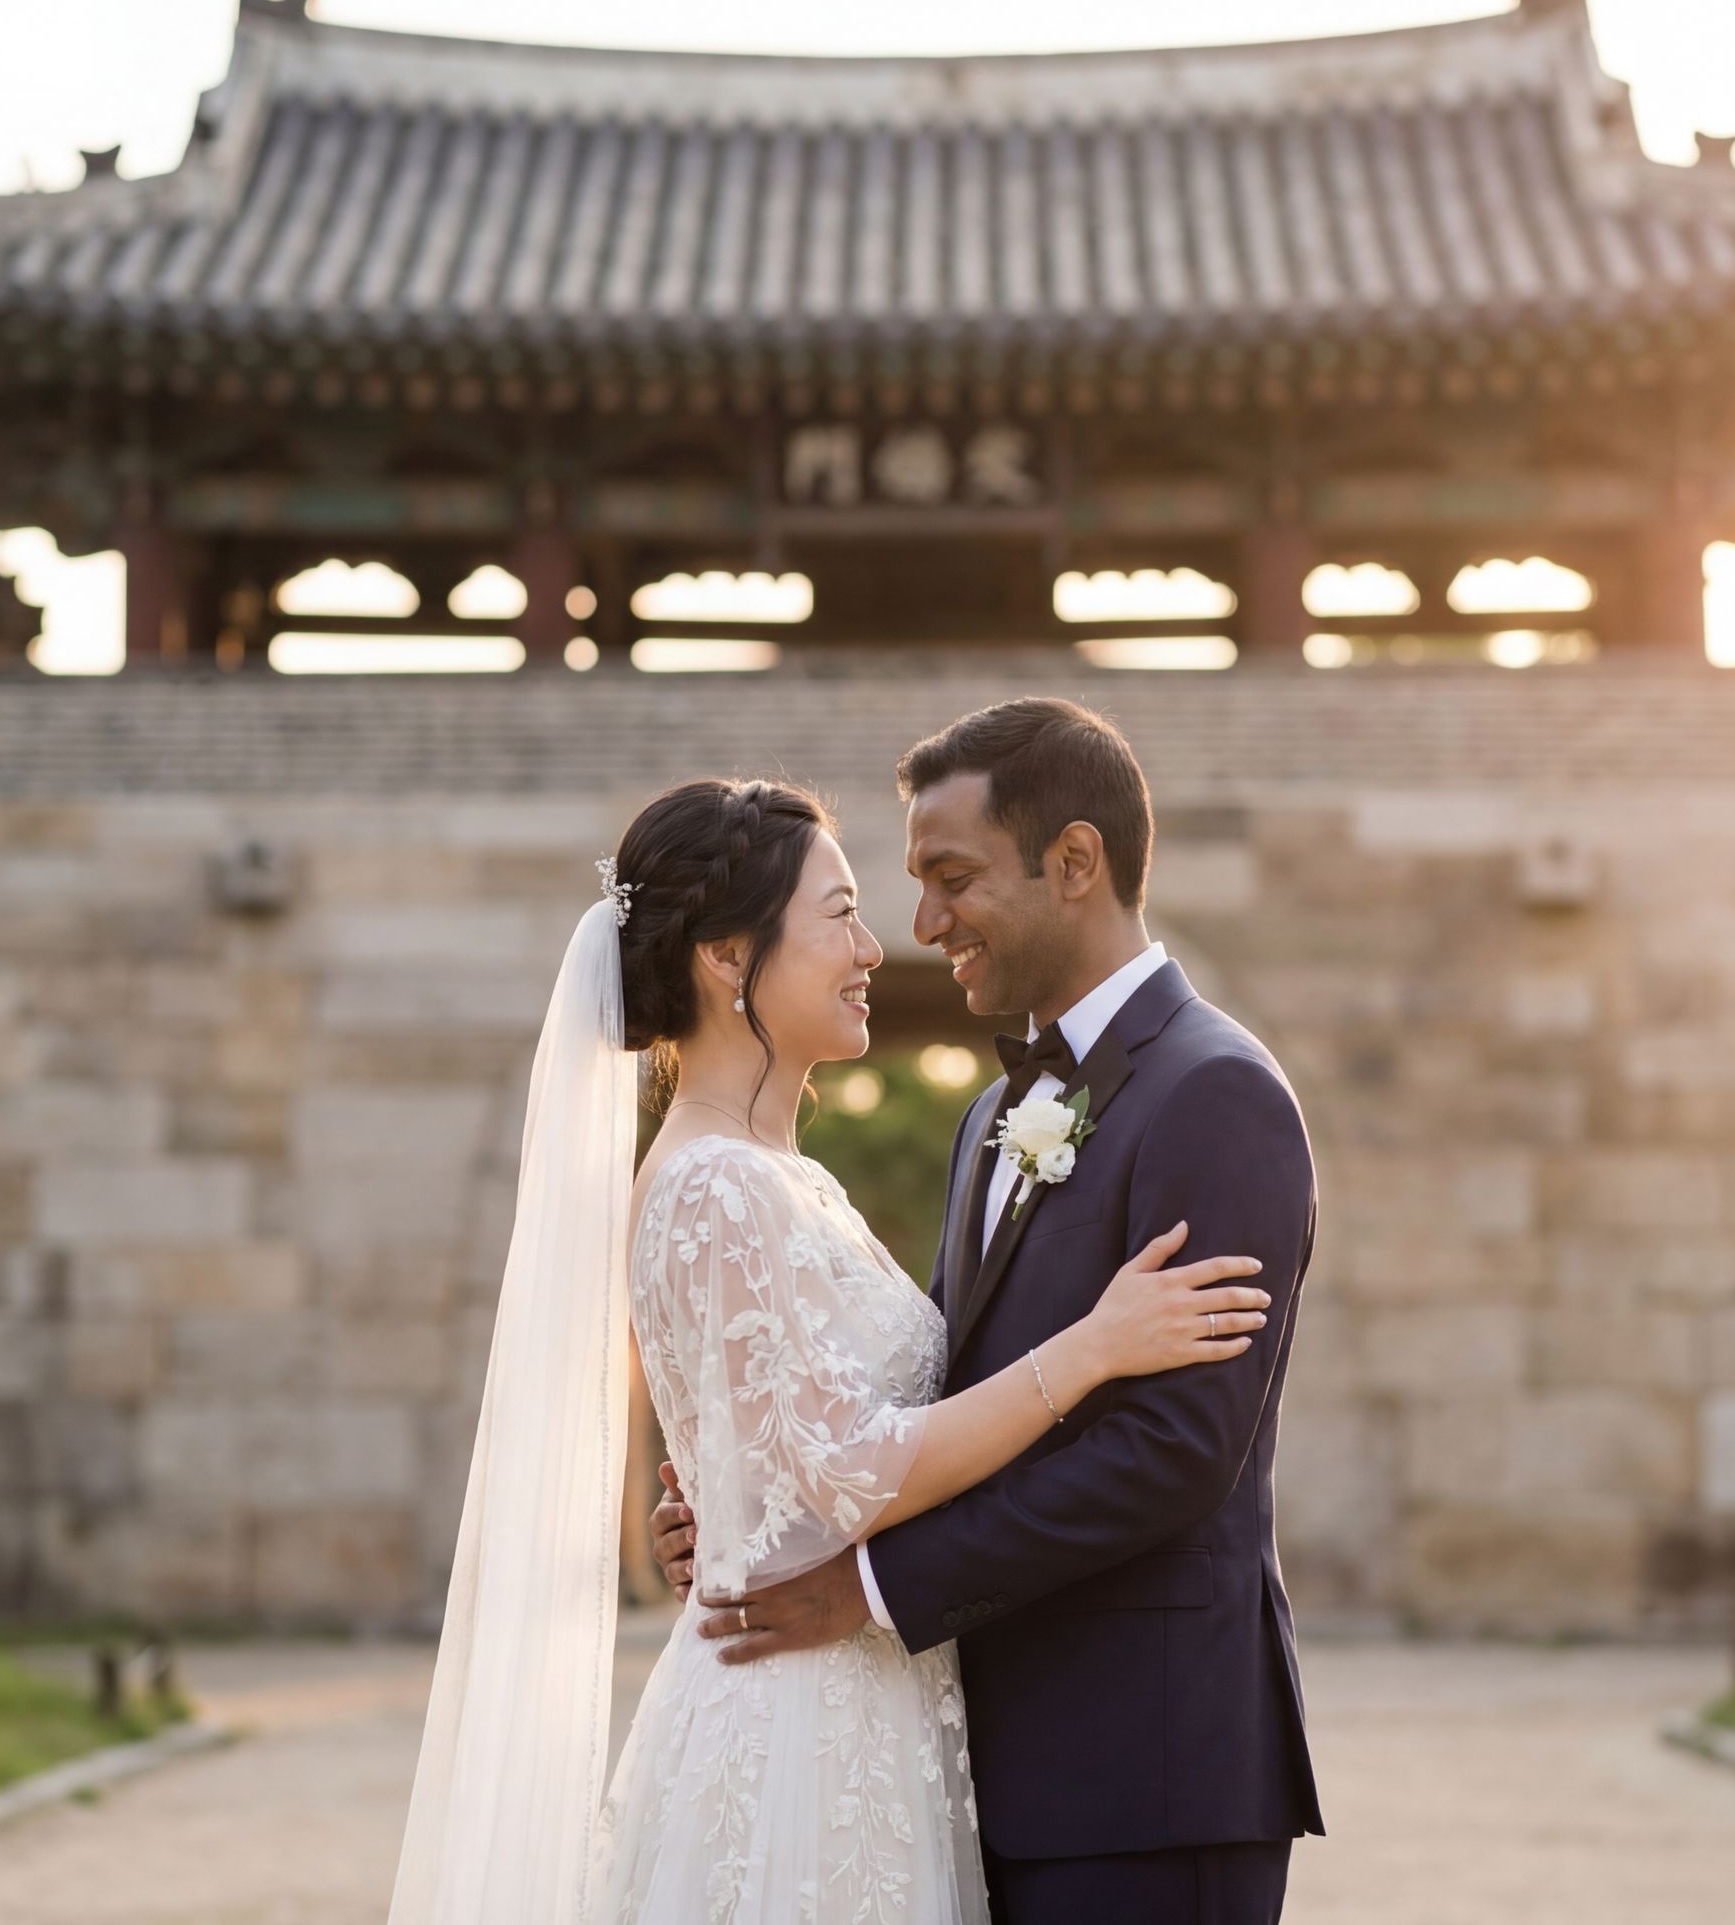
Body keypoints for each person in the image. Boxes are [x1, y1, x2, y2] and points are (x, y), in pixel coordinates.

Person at [386, 771, 1273, 1925]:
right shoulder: (715, 1185)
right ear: (723, 954)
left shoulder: (784, 1178)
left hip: (873, 1705)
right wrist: (1095, 1348)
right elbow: (853, 1467)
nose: (877, 945)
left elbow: (803, 1450)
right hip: (797, 1727)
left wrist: (736, 1496)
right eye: (841, 912)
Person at [652, 700, 1325, 1923]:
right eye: (900, 888)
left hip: (1147, 1773)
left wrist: (865, 1587)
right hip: (967, 1764)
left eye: (951, 878)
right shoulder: (986, 1122)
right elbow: (937, 1396)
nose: (921, 926)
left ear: (1074, 864)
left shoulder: (1217, 1093)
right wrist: (757, 1493)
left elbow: (1172, 1454)